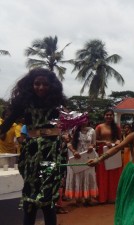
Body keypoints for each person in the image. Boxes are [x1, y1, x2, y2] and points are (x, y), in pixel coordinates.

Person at [0, 68, 67, 225]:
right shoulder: (24, 103)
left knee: (48, 196)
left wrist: (61, 133)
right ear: (31, 85)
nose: (41, 87)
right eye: (37, 84)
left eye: (45, 84)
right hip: (30, 155)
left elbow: (65, 125)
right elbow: (6, 125)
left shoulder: (57, 104)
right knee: (30, 198)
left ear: (52, 86)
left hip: (50, 154)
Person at [64, 118, 98, 206]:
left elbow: (94, 143)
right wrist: (74, 151)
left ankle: (88, 198)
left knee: (88, 175)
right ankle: (78, 199)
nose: (84, 121)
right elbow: (67, 143)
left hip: (87, 156)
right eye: (82, 120)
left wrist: (91, 146)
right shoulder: (73, 130)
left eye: (85, 119)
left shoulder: (92, 130)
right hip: (75, 156)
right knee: (77, 176)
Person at [95, 109, 122, 204]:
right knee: (103, 174)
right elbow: (94, 141)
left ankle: (113, 197)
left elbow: (120, 139)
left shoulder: (117, 128)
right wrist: (104, 142)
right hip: (103, 152)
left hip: (114, 151)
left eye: (110, 115)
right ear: (104, 116)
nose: (109, 116)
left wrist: (118, 142)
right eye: (107, 115)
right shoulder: (99, 127)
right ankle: (102, 197)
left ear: (113, 116)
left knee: (114, 173)